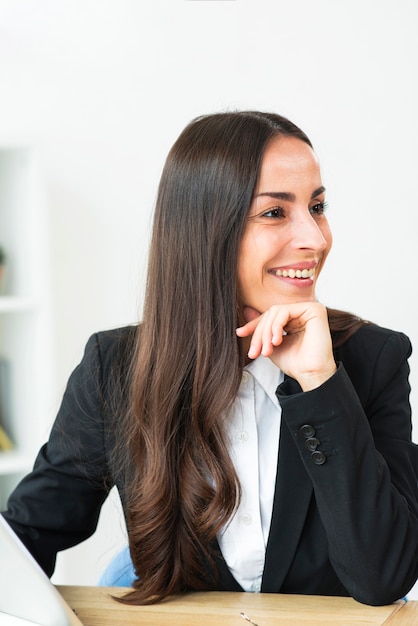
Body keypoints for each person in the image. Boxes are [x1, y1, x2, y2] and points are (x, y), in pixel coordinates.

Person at [2, 111, 418, 607]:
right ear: (206, 230)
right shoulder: (114, 369)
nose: (316, 239)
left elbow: (383, 577)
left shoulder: (373, 360)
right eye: (274, 212)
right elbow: (24, 541)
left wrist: (319, 383)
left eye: (318, 206)